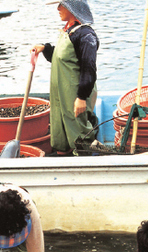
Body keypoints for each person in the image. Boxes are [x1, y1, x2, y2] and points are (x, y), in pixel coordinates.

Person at [31, 0, 98, 155]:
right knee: (61, 129)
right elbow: (63, 58)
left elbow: (89, 69)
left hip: (76, 93)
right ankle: (64, 155)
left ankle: (87, 162)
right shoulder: (69, 31)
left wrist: (81, 97)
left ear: (71, 7)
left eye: (61, 4)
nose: (58, 8)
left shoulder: (85, 35)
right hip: (61, 93)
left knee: (79, 132)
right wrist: (45, 49)